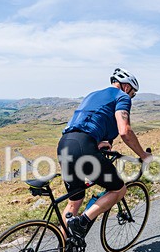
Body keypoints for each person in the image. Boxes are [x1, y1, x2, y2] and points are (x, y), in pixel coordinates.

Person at [59, 68, 152, 242]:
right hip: (84, 147)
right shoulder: (122, 97)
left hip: (65, 144)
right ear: (126, 87)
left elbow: (84, 123)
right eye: (133, 93)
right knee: (119, 189)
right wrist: (143, 155)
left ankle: (63, 246)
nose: (131, 97)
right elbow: (125, 132)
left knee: (75, 201)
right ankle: (83, 221)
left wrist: (97, 143)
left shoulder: (92, 95)